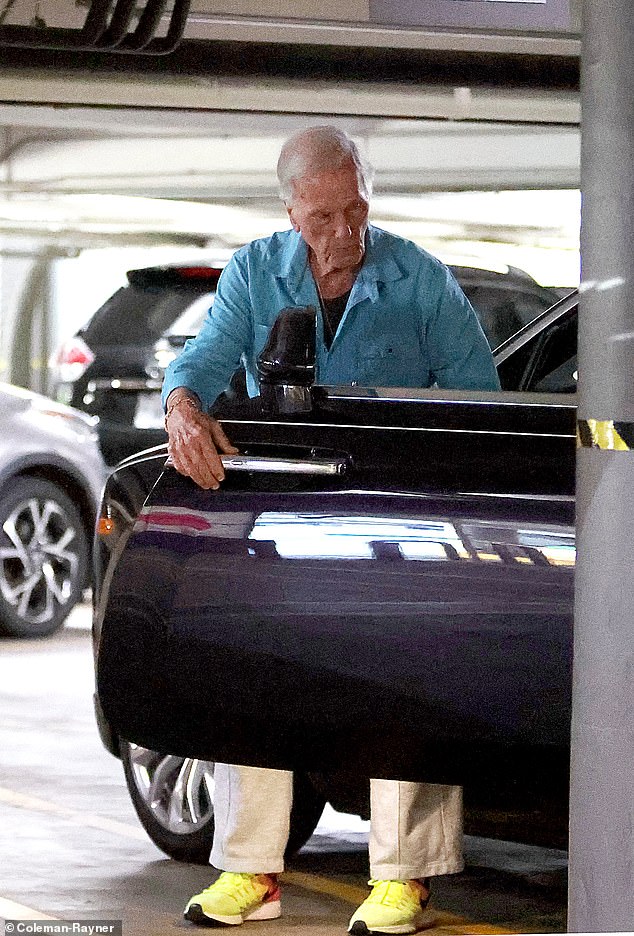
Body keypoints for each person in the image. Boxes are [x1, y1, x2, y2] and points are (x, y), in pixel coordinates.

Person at [163, 125, 500, 935]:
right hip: (283, 514)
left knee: (405, 681)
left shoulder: (418, 277)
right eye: (321, 219)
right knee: (250, 672)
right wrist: (184, 406)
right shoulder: (253, 272)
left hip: (393, 520)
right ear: (289, 211)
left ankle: (405, 878)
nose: (344, 234)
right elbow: (208, 358)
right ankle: (250, 869)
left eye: (356, 210)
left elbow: (477, 396)